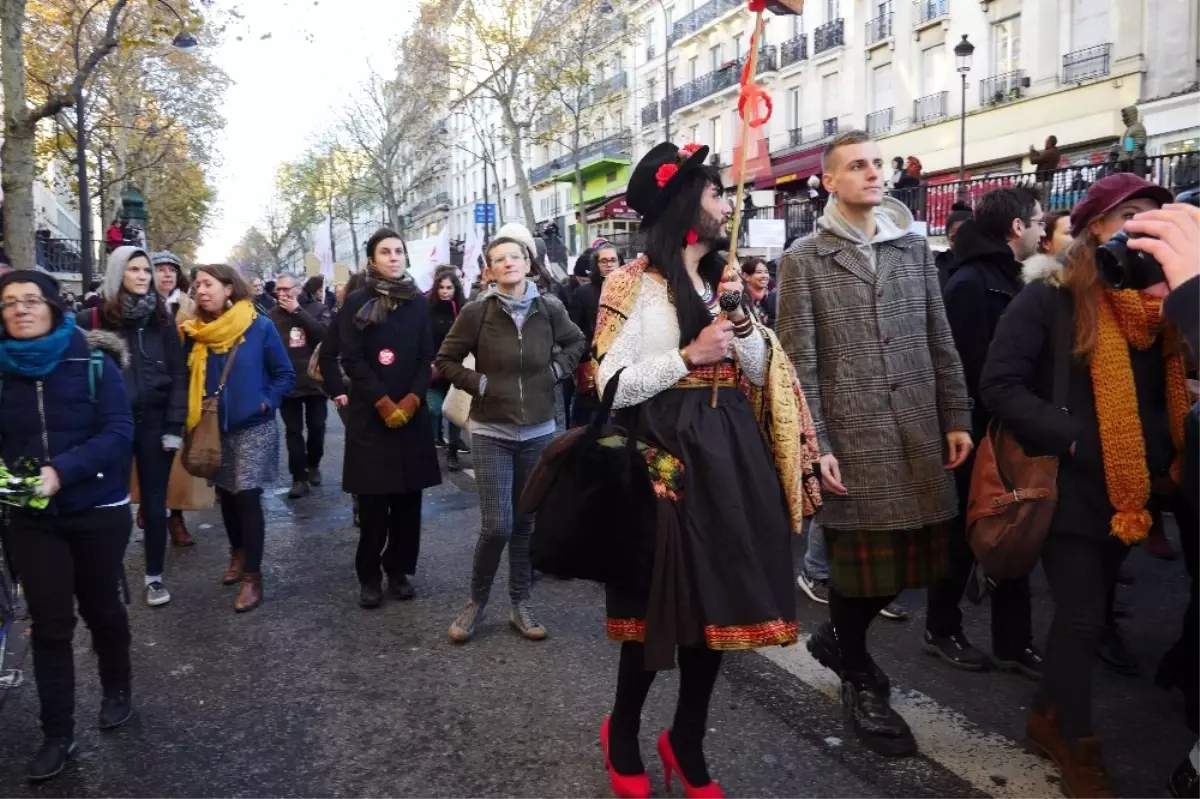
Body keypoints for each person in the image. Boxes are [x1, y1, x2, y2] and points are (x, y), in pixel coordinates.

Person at [586, 141, 817, 798]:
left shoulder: (726, 279)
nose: (725, 204)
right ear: (686, 204)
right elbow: (608, 386)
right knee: (658, 603)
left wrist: (743, 329)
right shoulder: (629, 282)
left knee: (716, 603)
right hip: (661, 453)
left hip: (728, 451)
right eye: (715, 193)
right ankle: (624, 730)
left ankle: (685, 740)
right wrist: (688, 355)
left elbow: (758, 373)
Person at [980, 174, 1188, 796]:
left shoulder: (1163, 305)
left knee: (1088, 613)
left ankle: (1047, 714)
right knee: (1082, 619)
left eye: (1155, 214)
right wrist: (1072, 435)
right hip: (1067, 487)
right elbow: (999, 384)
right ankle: (1076, 740)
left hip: (1137, 491)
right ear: (1096, 227)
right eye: (1129, 213)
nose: (1143, 224)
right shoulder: (1051, 296)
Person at [776, 130, 972, 756]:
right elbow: (798, 363)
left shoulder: (914, 249)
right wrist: (816, 444)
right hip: (852, 438)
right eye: (857, 166)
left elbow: (939, 336)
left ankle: (836, 639)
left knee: (925, 560)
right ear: (829, 181)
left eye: (878, 164)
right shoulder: (803, 259)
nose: (874, 174)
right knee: (860, 573)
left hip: (917, 429)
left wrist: (956, 414)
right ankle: (857, 668)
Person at [0, 269, 135, 782]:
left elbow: (119, 431)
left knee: (101, 606)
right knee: (51, 623)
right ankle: (58, 732)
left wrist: (62, 471)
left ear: (54, 306)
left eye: (31, 300)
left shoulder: (94, 360)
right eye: (9, 303)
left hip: (97, 509)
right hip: (32, 519)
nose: (20, 310)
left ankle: (118, 686)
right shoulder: (2, 370)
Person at [436, 225, 586, 643]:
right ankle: (476, 601)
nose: (508, 263)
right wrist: (479, 384)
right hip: (490, 430)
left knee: (526, 523)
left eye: (514, 257)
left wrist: (555, 373)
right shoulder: (477, 312)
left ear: (526, 263)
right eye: (499, 259)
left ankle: (520, 603)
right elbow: (446, 359)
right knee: (497, 524)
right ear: (490, 270)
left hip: (538, 431)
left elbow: (577, 343)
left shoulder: (550, 307)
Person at [927, 188, 1044, 676]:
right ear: (1017, 227)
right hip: (975, 430)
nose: (1044, 227)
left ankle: (1012, 642)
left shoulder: (1019, 278)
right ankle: (941, 626)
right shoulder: (972, 281)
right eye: (1038, 220)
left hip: (1011, 427)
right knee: (962, 532)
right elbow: (956, 364)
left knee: (1015, 528)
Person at [180, 265, 295, 613]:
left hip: (254, 427)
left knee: (246, 495)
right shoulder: (194, 332)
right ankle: (237, 552)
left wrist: (266, 401)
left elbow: (284, 374)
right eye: (196, 285)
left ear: (229, 288)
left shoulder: (258, 326)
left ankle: (252, 577)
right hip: (214, 428)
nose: (201, 290)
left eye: (208, 283)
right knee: (226, 496)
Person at [79, 247, 187, 607]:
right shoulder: (92, 319)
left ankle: (154, 576)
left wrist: (175, 424)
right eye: (134, 269)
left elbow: (177, 374)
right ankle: (107, 575)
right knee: (110, 502)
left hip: (156, 421)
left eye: (146, 271)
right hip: (110, 424)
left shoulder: (161, 318)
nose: (143, 276)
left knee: (156, 503)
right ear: (117, 273)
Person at [339, 230, 442, 609]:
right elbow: (352, 359)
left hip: (411, 415)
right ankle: (369, 576)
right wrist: (383, 402)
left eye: (399, 251)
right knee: (373, 505)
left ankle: (398, 569)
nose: (394, 257)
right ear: (372, 259)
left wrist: (414, 399)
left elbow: (424, 355)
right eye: (386, 252)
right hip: (371, 415)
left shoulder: (416, 301)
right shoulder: (355, 302)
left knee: (407, 503)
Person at [269, 274, 331, 499]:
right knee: (293, 431)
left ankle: (313, 464)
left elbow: (325, 335)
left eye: (286, 289)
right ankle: (298, 477)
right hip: (287, 381)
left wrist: (298, 311)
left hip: (314, 380)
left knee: (317, 426)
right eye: (278, 290)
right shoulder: (272, 315)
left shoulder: (317, 308)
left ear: (298, 289)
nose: (282, 294)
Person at [152, 251, 199, 546]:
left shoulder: (189, 306)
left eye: (171, 270)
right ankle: (149, 504)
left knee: (177, 455)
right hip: (148, 387)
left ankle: (176, 517)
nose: (167, 275)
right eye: (160, 269)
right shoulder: (135, 304)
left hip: (182, 386)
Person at [569, 242, 621, 426]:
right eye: (604, 261)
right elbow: (574, 331)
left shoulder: (632, 291)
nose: (609, 264)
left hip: (624, 366)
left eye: (613, 260)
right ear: (596, 265)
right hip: (593, 368)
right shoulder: (583, 293)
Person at [427, 270, 468, 471]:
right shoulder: (428, 309)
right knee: (434, 408)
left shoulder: (463, 310)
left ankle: (452, 449)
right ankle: (434, 438)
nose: (445, 292)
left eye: (449, 287)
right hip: (433, 369)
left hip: (456, 368)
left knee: (454, 411)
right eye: (441, 287)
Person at [936, 203, 974, 289]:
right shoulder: (937, 266)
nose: (962, 240)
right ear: (948, 236)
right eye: (955, 237)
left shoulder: (987, 267)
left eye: (967, 234)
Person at [740, 256, 776, 328]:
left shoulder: (769, 299)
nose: (764, 276)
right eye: (759, 272)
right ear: (746, 276)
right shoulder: (741, 301)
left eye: (766, 272)